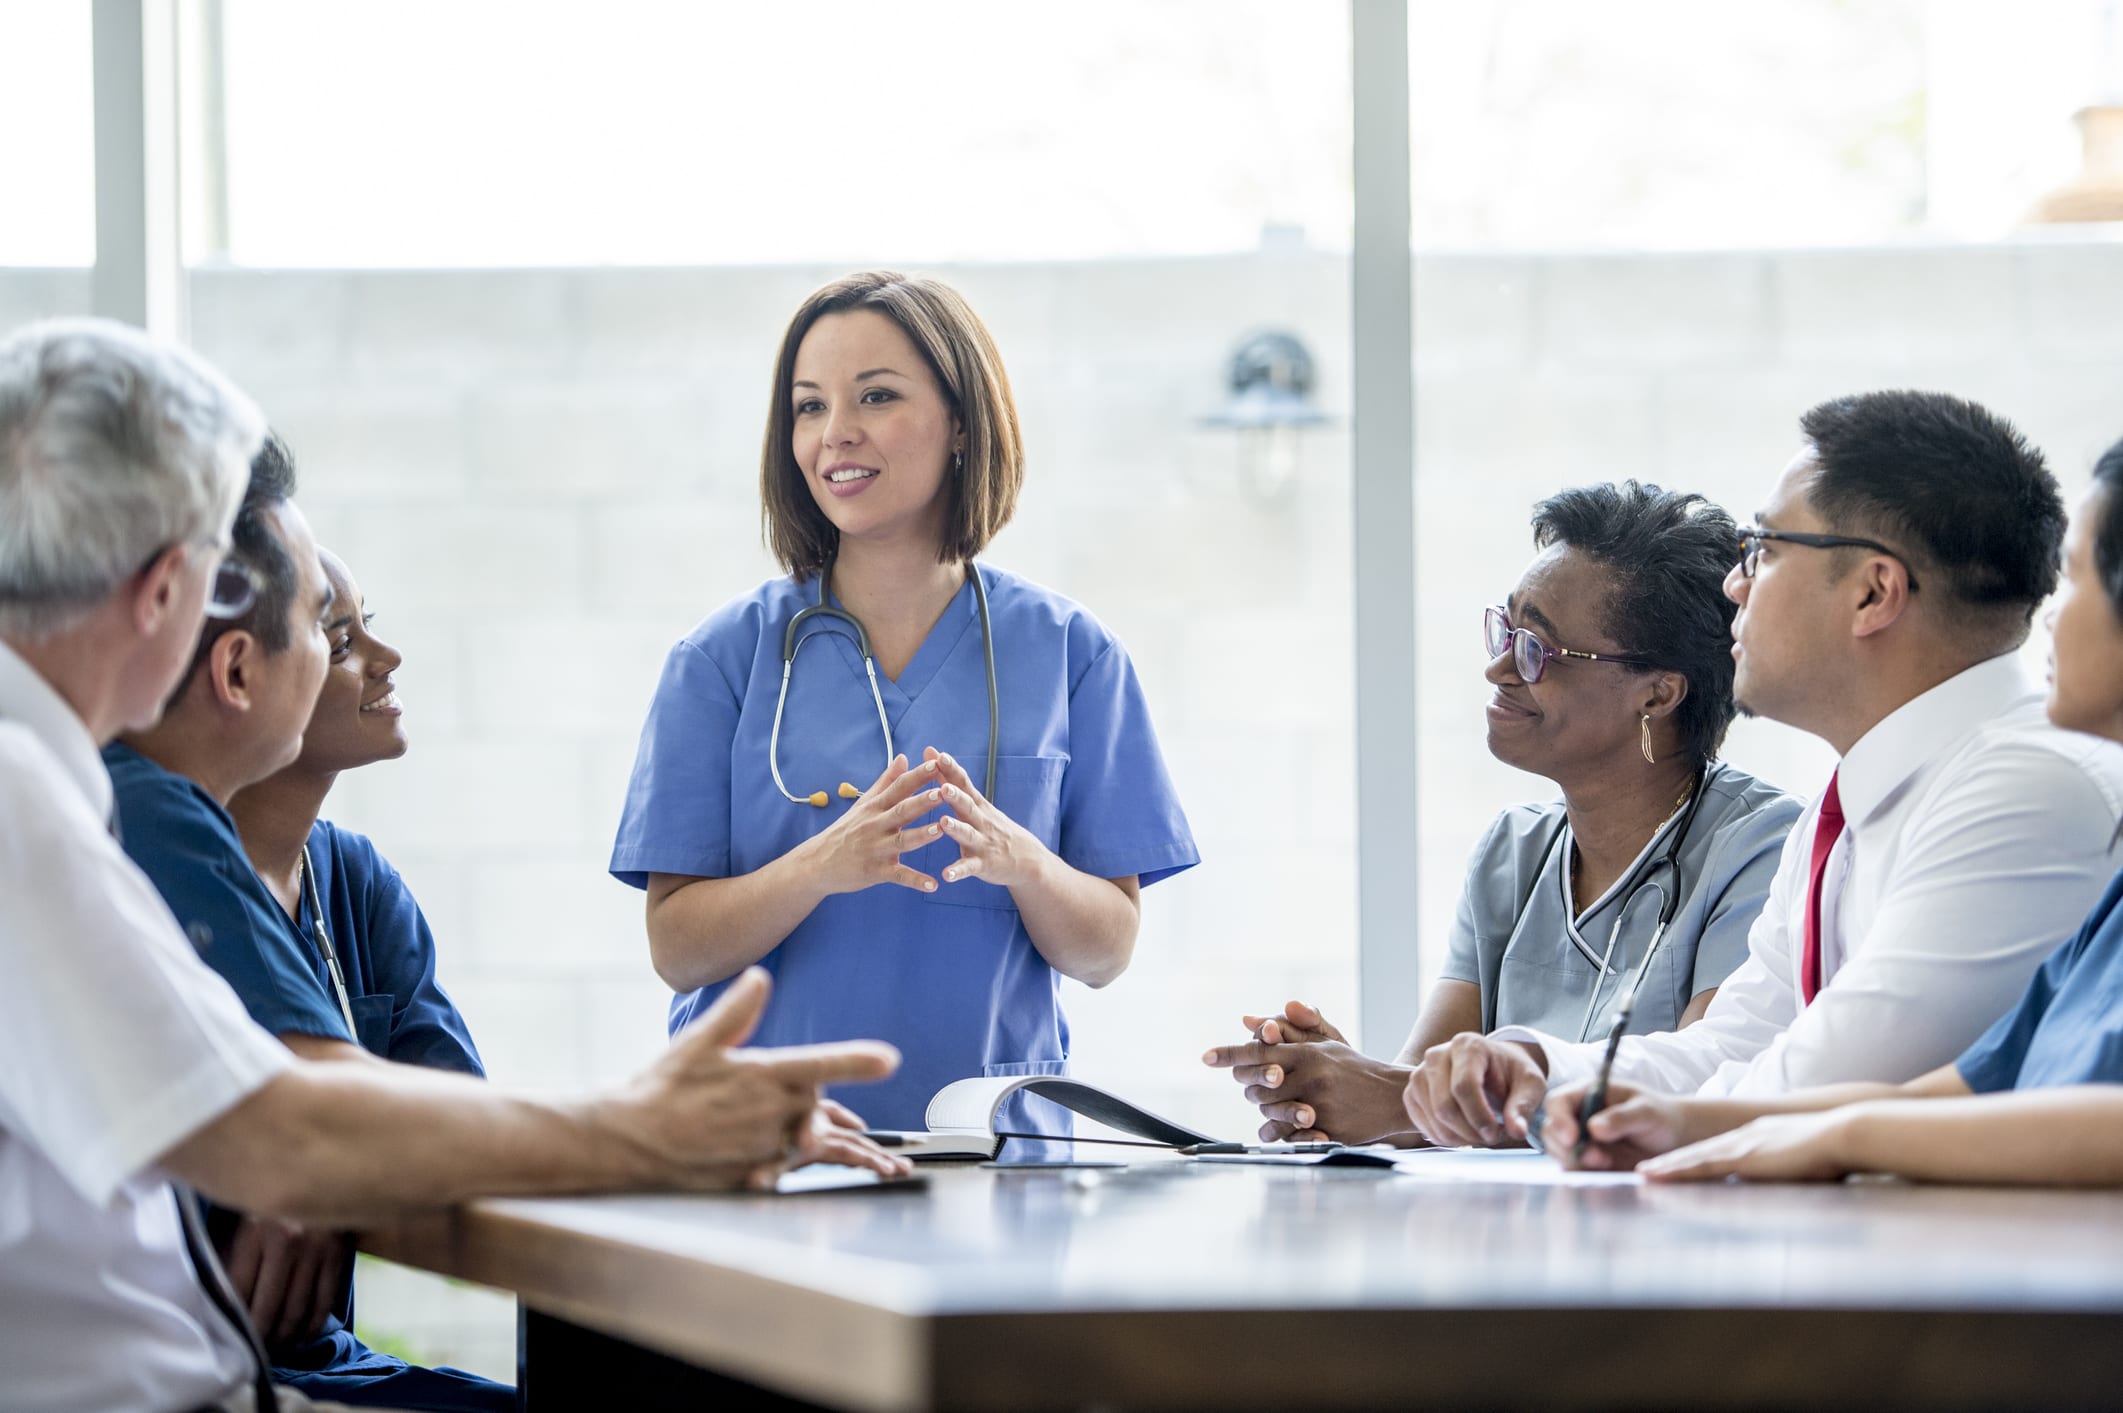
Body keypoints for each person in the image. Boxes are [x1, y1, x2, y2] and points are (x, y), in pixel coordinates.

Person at [0, 317, 905, 1413]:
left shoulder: (83, 800)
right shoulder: (27, 803)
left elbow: (280, 1119)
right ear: (161, 594)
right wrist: (653, 1125)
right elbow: (278, 1134)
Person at [1401, 390, 2123, 1149]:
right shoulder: (1846, 805)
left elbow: (1823, 1079)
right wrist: (1538, 1068)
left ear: (1873, 592)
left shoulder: (2027, 790)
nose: (1733, 584)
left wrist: (1602, 1106)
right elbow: (1735, 1042)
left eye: (1765, 550)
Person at [610, 271, 1199, 1133]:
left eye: (875, 396)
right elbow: (678, 949)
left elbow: (1105, 952)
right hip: (764, 1152)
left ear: (962, 420)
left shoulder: (1072, 653)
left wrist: (1022, 860)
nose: (834, 434)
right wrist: (820, 864)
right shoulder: (721, 660)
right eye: (809, 407)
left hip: (992, 1153)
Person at [1201, 483, 1800, 1144]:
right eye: (1505, 630)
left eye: (1535, 649)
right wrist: (1331, 1086)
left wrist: (1386, 1096)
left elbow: (1708, 1089)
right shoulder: (1512, 850)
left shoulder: (1762, 849)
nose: (1497, 668)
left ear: (1656, 693)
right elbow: (1416, 1098)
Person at [106, 436, 504, 1407]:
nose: (380, 656)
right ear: (237, 671)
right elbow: (332, 1118)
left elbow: (451, 1112)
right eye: (331, 631)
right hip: (204, 1364)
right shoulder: (138, 816)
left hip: (304, 1356)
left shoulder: (354, 880)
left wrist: (331, 1153)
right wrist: (322, 1138)